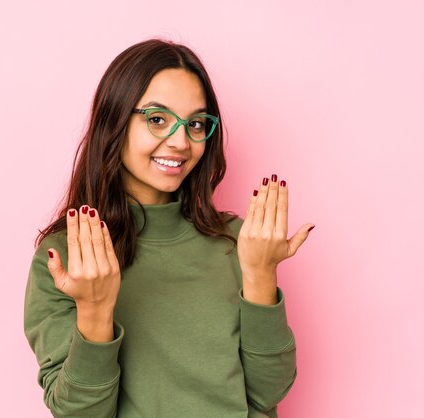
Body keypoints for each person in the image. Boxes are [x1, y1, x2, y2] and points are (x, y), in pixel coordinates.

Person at [23, 38, 315, 418]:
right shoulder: (66, 259)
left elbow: (268, 391)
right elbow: (82, 414)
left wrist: (260, 272)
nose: (180, 142)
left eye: (195, 124)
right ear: (114, 121)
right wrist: (95, 310)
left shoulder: (237, 241)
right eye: (157, 119)